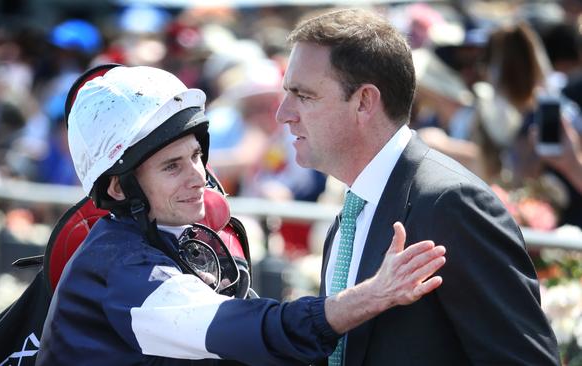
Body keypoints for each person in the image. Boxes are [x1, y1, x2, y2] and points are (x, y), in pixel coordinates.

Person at [36, 64, 446, 365]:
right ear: (119, 188)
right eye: (171, 166)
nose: (199, 177)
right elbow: (243, 330)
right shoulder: (120, 267)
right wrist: (372, 295)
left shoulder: (171, 236)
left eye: (197, 156)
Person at [275, 8, 560, 365]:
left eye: (304, 95)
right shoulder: (356, 207)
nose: (284, 113)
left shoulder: (451, 203)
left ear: (364, 101)